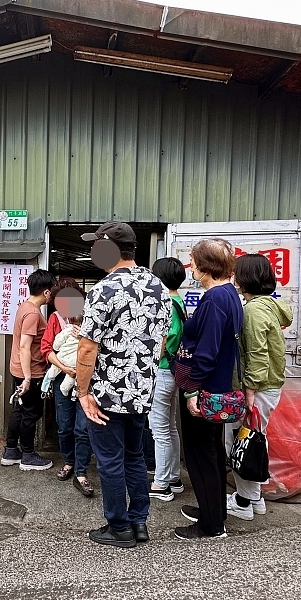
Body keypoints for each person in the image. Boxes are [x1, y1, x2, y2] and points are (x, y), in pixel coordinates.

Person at [76, 222, 170, 548]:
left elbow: (88, 346)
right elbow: (160, 343)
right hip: (142, 391)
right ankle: (139, 522)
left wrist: (83, 392)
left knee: (110, 461)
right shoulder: (158, 287)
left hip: (107, 391)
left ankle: (118, 527)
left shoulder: (103, 289)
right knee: (134, 457)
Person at [174, 238, 243, 541]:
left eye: (193, 260)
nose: (190, 266)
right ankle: (213, 511)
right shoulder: (229, 294)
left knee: (201, 454)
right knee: (212, 451)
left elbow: (206, 351)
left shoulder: (214, 299)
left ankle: (211, 525)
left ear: (206, 266)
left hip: (203, 387)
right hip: (217, 386)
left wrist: (191, 391)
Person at [228, 253, 293, 521]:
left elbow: (256, 353)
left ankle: (244, 502)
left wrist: (249, 389)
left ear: (245, 278)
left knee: (243, 442)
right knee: (255, 439)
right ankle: (255, 499)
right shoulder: (271, 305)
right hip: (271, 385)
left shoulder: (253, 311)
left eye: (236, 273)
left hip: (258, 387)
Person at [41, 278, 94, 497]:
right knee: (64, 426)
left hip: (87, 381)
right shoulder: (55, 319)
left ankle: (81, 472)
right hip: (62, 377)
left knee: (83, 427)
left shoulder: (91, 317)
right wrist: (65, 368)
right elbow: (47, 349)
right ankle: (69, 462)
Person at [0, 268, 56, 471]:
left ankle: (11, 451)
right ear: (46, 292)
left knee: (20, 409)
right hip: (30, 371)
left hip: (18, 368)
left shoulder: (24, 307)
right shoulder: (33, 313)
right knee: (30, 413)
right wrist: (27, 378)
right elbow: (25, 345)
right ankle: (28, 456)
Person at [147, 257, 188, 503]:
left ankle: (161, 484)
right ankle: (173, 477)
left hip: (161, 371)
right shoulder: (179, 302)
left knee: (159, 430)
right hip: (173, 371)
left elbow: (161, 341)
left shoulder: (165, 304)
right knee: (170, 427)